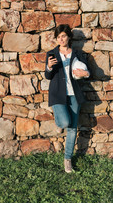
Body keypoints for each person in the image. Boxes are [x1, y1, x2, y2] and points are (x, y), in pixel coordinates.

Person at [45, 24, 90, 173]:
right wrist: (49, 67)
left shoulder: (77, 53)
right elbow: (48, 76)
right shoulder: (52, 53)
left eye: (63, 36)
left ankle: (68, 160)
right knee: (64, 122)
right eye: (58, 37)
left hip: (74, 94)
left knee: (72, 128)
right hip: (57, 94)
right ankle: (59, 121)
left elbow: (86, 71)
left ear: (69, 37)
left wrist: (86, 74)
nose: (61, 39)